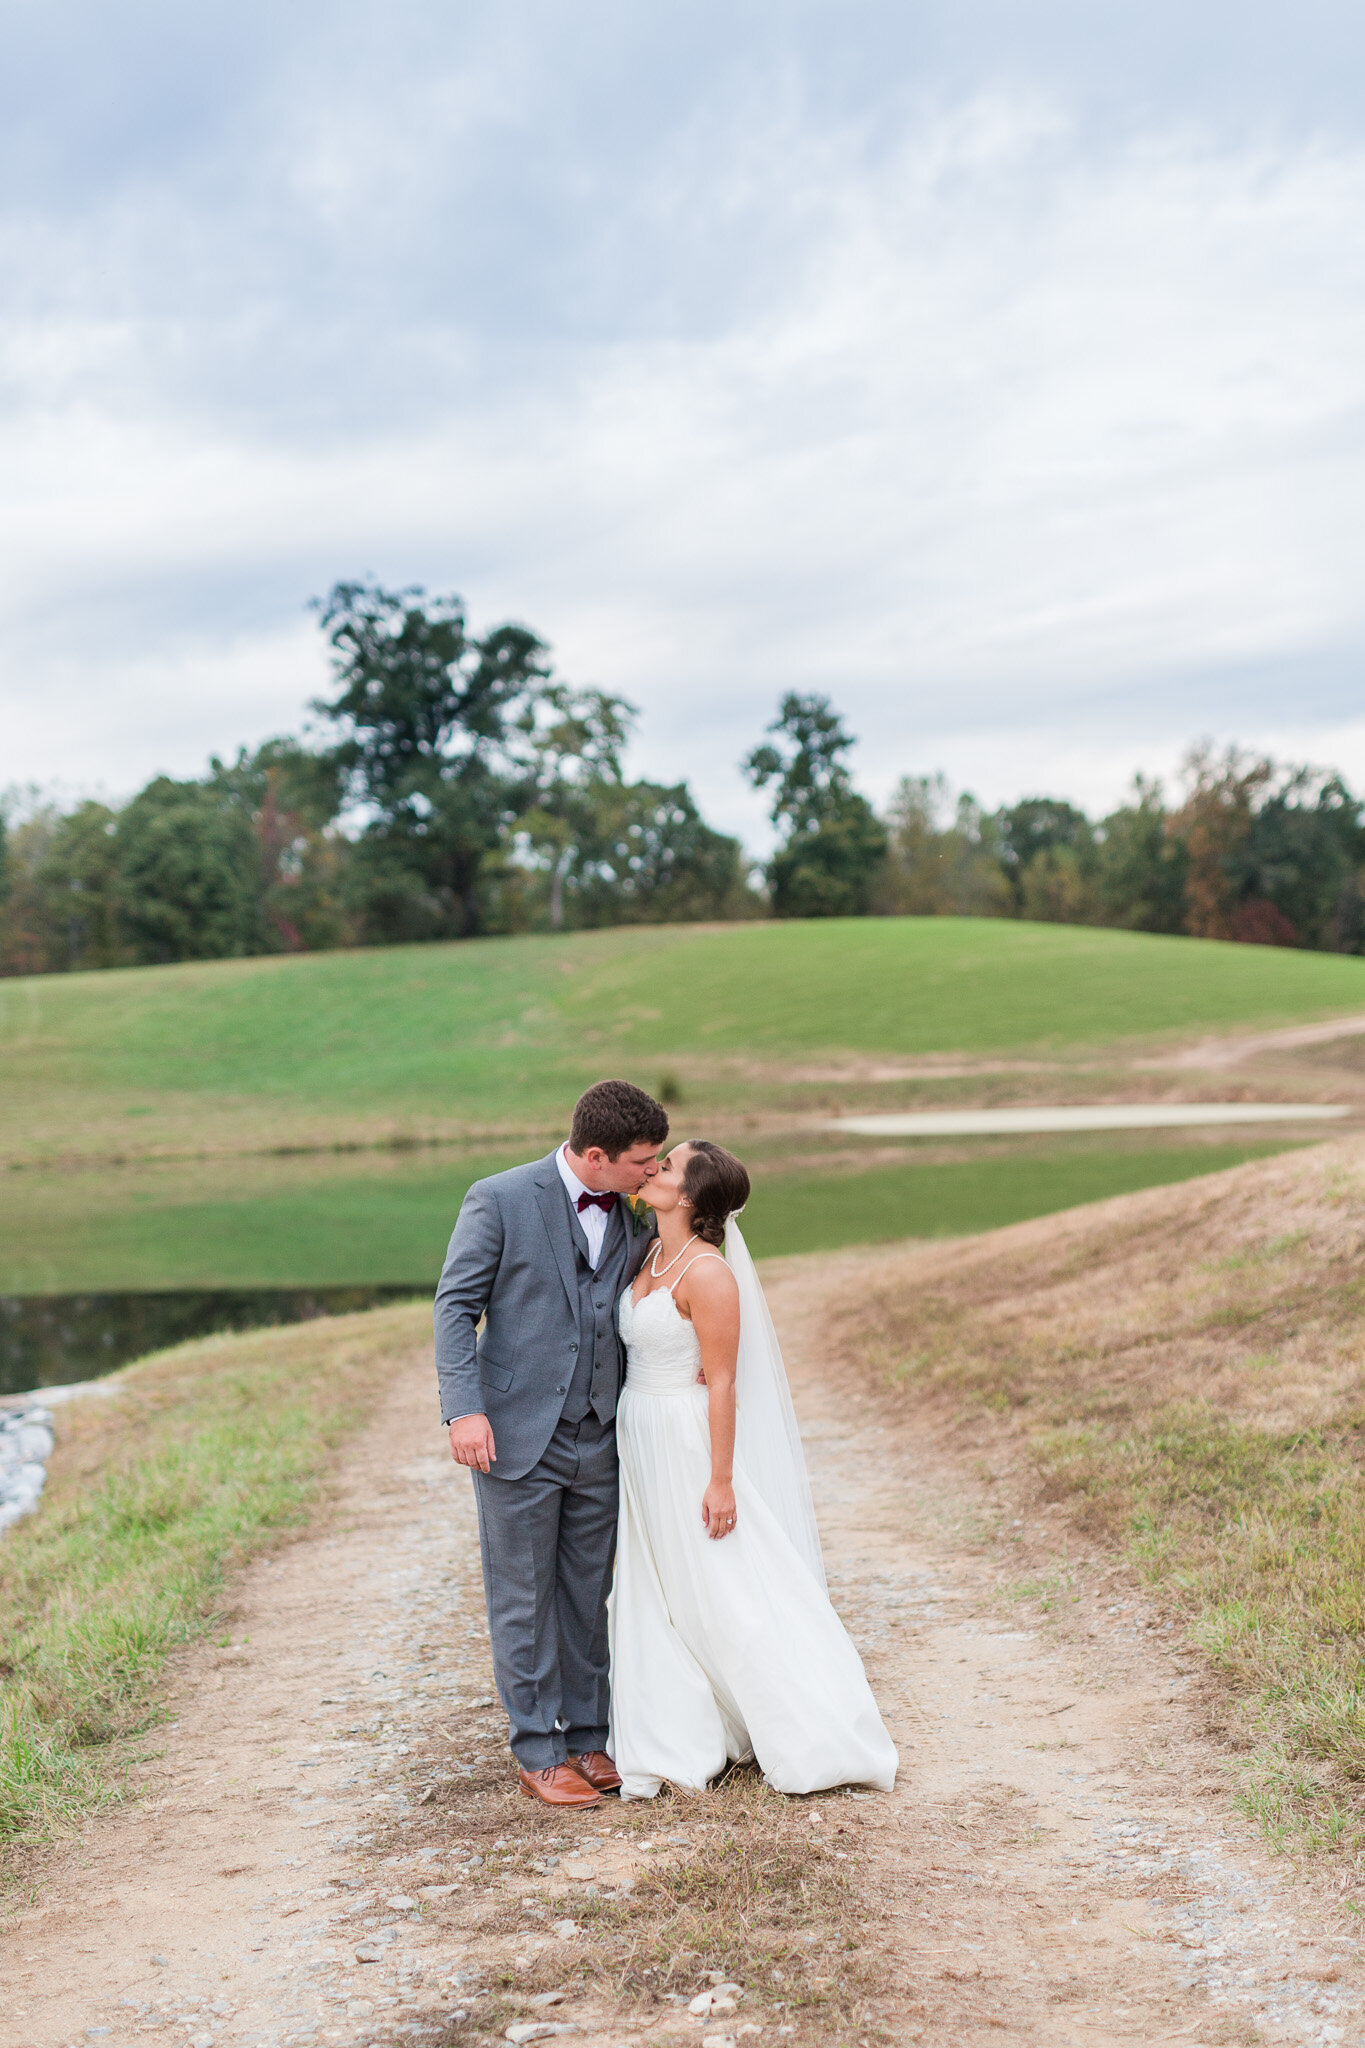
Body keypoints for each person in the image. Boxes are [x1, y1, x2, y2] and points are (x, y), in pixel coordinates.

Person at [609, 1139, 898, 1798]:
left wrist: (719, 1480)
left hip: (683, 1440)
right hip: (639, 1434)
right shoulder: (648, 1251)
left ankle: (802, 1723)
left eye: (669, 1165)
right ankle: (687, 1717)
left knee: (722, 1584)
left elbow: (722, 1383)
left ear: (688, 1196)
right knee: (664, 1582)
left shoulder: (707, 1273)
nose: (655, 1169)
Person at [434, 1078, 666, 1809]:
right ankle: (536, 1747)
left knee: (585, 1592)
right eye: (642, 1162)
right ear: (595, 1156)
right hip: (514, 1433)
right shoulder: (499, 1197)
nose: (653, 1173)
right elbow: (455, 1306)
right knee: (522, 1595)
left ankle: (589, 1736)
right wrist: (462, 1411)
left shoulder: (636, 1214)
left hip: (601, 1435)